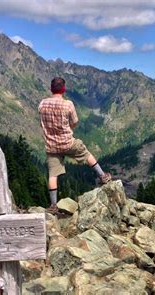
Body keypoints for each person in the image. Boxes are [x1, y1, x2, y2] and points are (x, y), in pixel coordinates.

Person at [38, 77, 111, 214]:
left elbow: (42, 122)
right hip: (67, 142)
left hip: (51, 146)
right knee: (86, 153)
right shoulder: (68, 104)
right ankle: (103, 176)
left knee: (53, 175)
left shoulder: (42, 104)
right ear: (63, 89)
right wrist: (68, 128)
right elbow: (75, 122)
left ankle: (53, 205)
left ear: (51, 89)